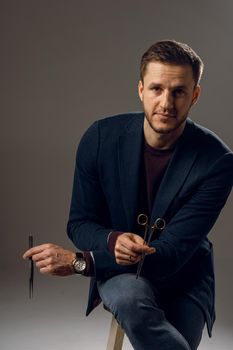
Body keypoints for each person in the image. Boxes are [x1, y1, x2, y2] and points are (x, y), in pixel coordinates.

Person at [23, 40, 233, 350]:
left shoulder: (218, 161)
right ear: (140, 90)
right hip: (120, 275)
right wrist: (112, 240)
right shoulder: (99, 139)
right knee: (129, 299)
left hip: (185, 276)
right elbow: (80, 223)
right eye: (156, 89)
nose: (166, 103)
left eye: (179, 91)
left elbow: (171, 254)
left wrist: (79, 262)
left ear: (195, 95)